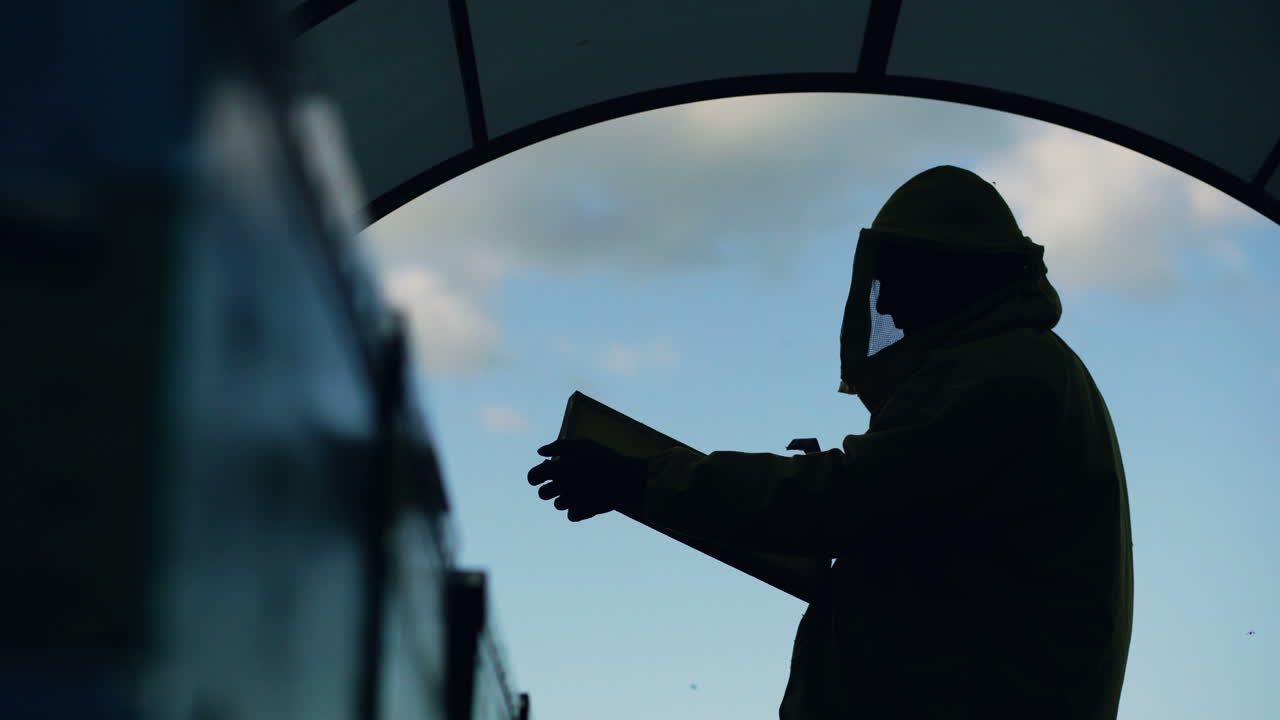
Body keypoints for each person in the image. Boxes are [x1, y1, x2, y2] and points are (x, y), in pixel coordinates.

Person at [527, 166, 1134, 719]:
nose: (887, 302)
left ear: (949, 273)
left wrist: (639, 478)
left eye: (899, 279)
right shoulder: (1025, 370)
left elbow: (846, 499)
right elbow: (899, 512)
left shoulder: (1004, 372)